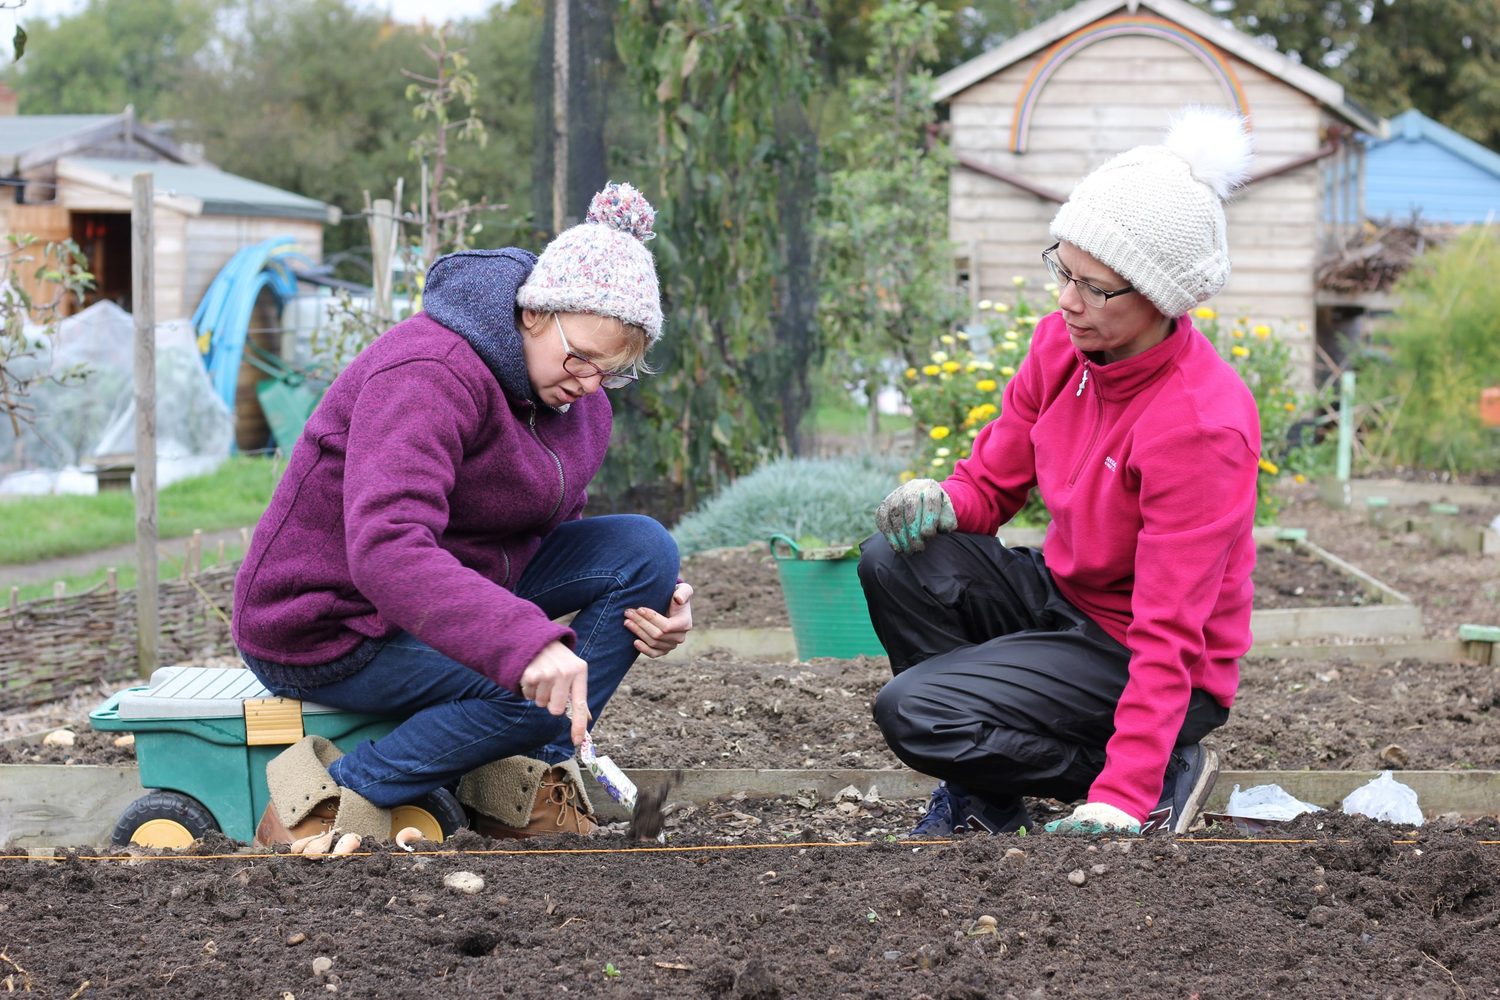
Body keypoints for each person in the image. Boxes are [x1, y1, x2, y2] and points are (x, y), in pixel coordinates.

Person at [232, 182, 693, 848]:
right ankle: (344, 792)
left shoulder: (573, 397)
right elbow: (387, 548)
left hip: (436, 592)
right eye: (581, 358)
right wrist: (523, 641)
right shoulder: (430, 370)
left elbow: (545, 529)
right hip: (330, 622)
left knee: (644, 552)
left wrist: (659, 598)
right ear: (534, 313)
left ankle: (520, 747)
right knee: (533, 691)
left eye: (612, 372)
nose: (591, 385)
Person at [860, 106, 1259, 837]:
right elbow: (989, 486)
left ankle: (1164, 767)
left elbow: (1169, 632)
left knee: (915, 713)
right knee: (896, 557)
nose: (1067, 301)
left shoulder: (1202, 426)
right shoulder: (1061, 345)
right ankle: (986, 798)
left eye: (1096, 287)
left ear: (1160, 297)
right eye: (1063, 269)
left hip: (1152, 653)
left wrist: (1121, 795)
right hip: (1068, 600)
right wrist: (941, 499)